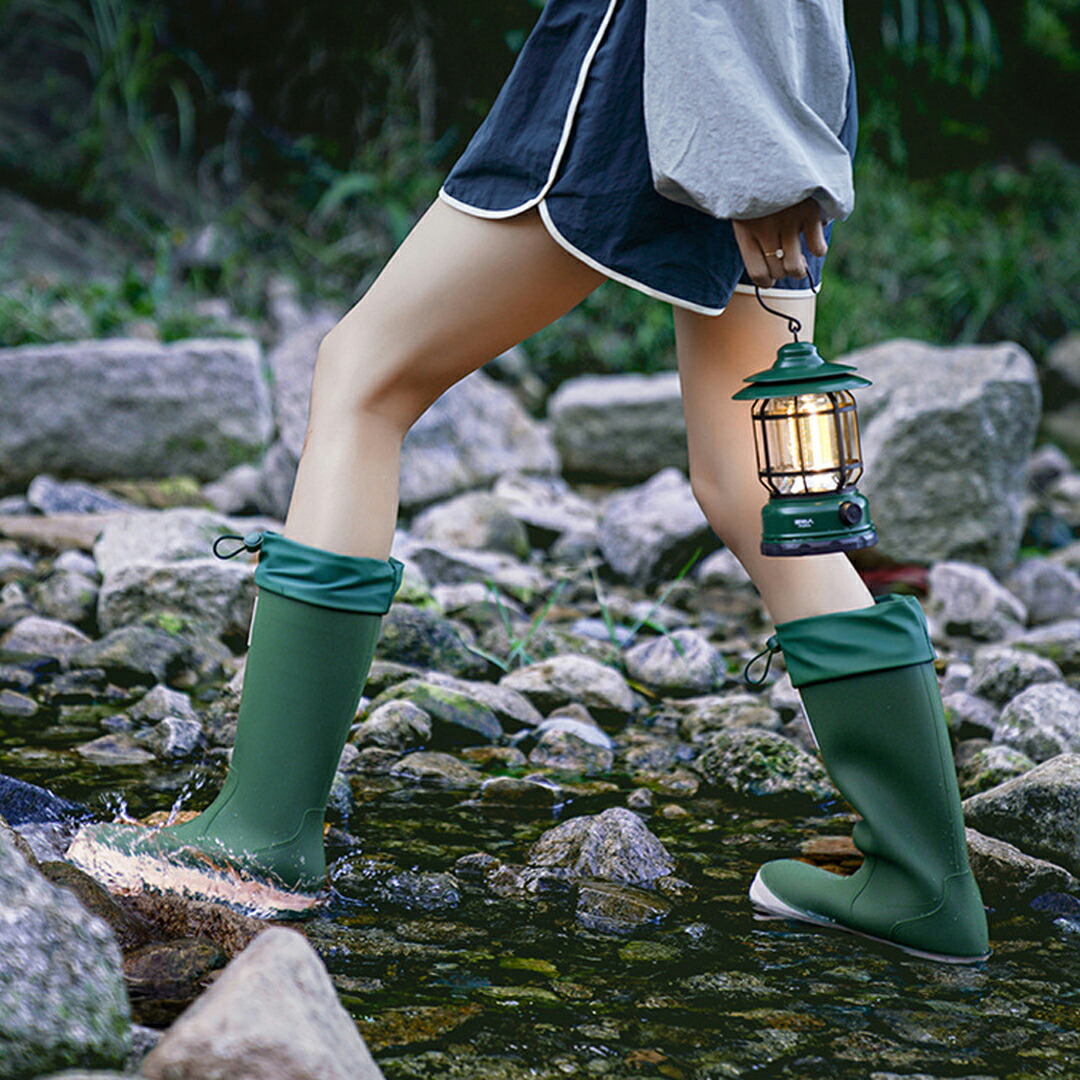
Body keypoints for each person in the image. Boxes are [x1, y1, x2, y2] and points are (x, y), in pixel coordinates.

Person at [68, 0, 989, 961]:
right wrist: (768, 142)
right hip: (776, 73)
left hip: (663, 61)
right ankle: (925, 882)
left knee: (363, 379)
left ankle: (259, 835)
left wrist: (756, 155)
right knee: (751, 487)